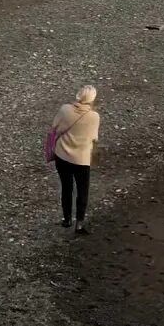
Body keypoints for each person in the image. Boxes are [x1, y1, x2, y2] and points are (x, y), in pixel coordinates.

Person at [50, 86, 101, 234]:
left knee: (66, 187)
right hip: (82, 159)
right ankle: (79, 223)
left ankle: (66, 219)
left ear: (79, 95)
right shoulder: (94, 116)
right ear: (92, 99)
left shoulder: (65, 109)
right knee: (82, 190)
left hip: (62, 155)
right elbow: (94, 138)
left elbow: (55, 128)